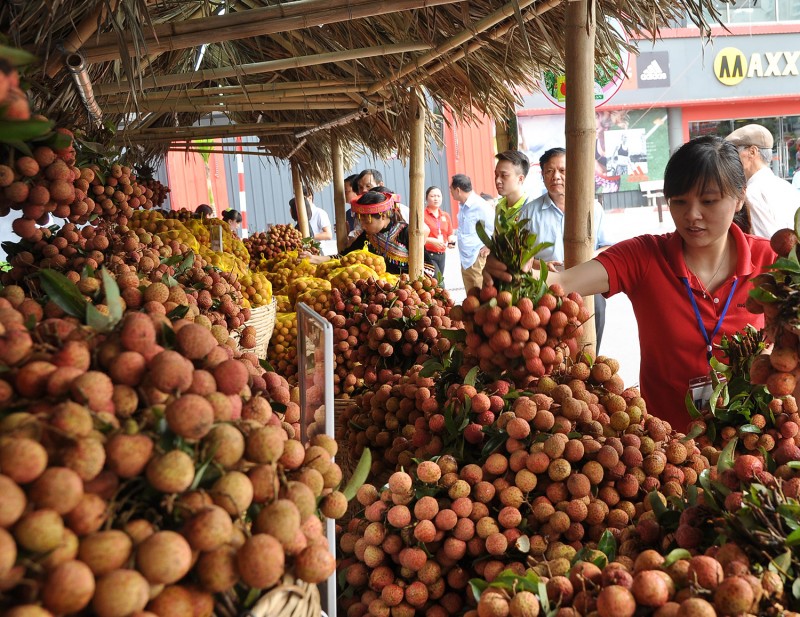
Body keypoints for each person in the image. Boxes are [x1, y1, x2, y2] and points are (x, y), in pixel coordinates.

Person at [486, 135, 776, 433]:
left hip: (754, 440)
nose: (692, 215)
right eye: (680, 201)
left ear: (739, 197)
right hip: (666, 449)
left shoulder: (771, 261)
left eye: (709, 201)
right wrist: (511, 272)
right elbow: (561, 283)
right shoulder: (644, 256)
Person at [521, 147, 612, 349]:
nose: (556, 177)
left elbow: (607, 247)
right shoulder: (529, 211)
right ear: (543, 176)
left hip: (588, 282)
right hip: (546, 285)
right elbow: (519, 255)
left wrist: (589, 256)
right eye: (550, 171)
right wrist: (539, 263)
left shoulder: (592, 207)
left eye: (562, 171)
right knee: (551, 348)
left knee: (590, 336)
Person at [308, 191, 432, 276]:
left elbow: (429, 269)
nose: (362, 225)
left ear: (383, 216)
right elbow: (345, 256)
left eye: (366, 221)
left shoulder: (406, 233)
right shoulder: (368, 235)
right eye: (361, 221)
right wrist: (313, 258)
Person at [725, 123, 800, 238]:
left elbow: (766, 244)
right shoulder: (787, 187)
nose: (730, 160)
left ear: (752, 152)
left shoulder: (751, 194)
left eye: (734, 153)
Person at [450, 174, 494, 292]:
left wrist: (489, 246)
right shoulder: (463, 206)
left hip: (477, 257)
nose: (451, 192)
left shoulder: (480, 206)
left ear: (458, 190)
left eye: (451, 189)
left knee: (479, 293)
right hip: (465, 259)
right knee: (470, 296)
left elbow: (496, 227)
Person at [422, 186, 455, 281]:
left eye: (438, 196)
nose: (436, 198)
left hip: (442, 254)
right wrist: (431, 241)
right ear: (426, 198)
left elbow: (450, 234)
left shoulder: (445, 215)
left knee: (436, 284)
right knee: (439, 282)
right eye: (432, 196)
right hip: (428, 254)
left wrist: (451, 242)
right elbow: (417, 236)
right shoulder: (422, 215)